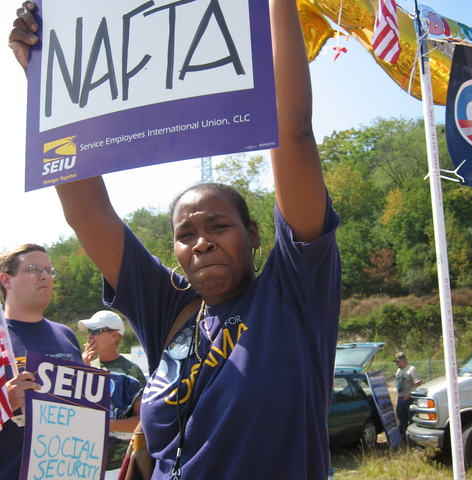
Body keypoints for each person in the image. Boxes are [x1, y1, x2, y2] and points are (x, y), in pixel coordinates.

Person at [9, 0, 342, 478]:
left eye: (218, 226)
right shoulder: (169, 307)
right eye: (186, 235)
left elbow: (293, 134)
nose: (201, 243)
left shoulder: (293, 292)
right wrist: (46, 82)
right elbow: (89, 212)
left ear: (252, 234)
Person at [0, 244, 83, 480]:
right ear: (6, 280)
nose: (45, 275)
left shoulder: (66, 335)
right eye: (34, 269)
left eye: (49, 270)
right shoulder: (1, 341)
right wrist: (5, 402)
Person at [79, 310, 146, 479]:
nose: (89, 337)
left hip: (117, 465)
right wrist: (81, 368)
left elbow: (143, 422)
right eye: (88, 331)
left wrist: (106, 424)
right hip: (82, 461)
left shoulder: (131, 373)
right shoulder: (84, 366)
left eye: (95, 331)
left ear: (114, 336)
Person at [394, 352, 422, 436]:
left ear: (403, 360)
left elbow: (418, 383)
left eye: (398, 361)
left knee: (411, 418)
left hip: (409, 399)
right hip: (400, 399)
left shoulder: (411, 369)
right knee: (401, 418)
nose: (396, 363)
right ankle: (403, 437)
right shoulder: (399, 370)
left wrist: (409, 394)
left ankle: (413, 437)